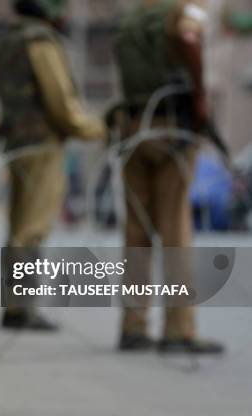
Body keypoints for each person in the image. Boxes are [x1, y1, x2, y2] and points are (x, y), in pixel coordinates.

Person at [113, 0, 223, 353]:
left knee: (137, 233)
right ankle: (178, 330)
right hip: (172, 130)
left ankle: (134, 327)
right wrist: (201, 96)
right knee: (175, 230)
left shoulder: (130, 21)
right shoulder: (182, 10)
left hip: (133, 129)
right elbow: (189, 38)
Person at [0, 0, 106, 330]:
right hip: (42, 144)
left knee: (18, 228)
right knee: (32, 229)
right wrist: (97, 129)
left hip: (15, 143)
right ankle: (20, 309)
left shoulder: (8, 40)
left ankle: (14, 305)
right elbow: (61, 103)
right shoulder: (40, 41)